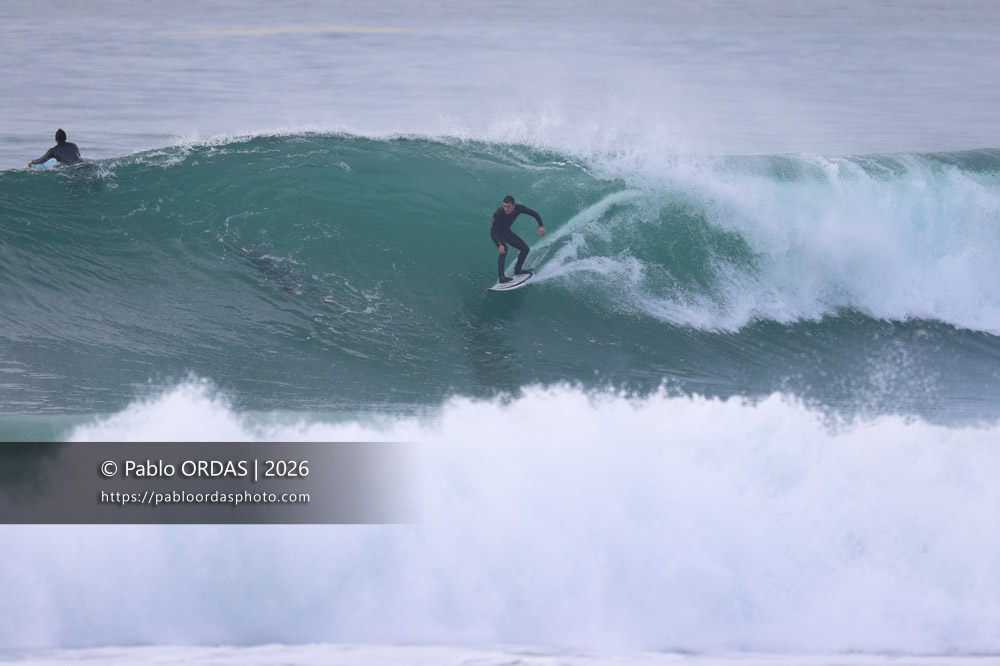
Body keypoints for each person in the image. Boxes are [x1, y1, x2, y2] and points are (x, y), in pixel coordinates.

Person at [491, 195, 545, 283]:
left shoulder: (519, 208)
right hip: (497, 234)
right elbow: (495, 230)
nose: (506, 209)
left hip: (506, 232)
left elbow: (534, 214)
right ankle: (502, 277)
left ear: (513, 205)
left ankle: (518, 270)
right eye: (504, 206)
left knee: (525, 249)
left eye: (508, 206)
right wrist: (500, 244)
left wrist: (541, 226)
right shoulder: (498, 213)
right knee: (504, 249)